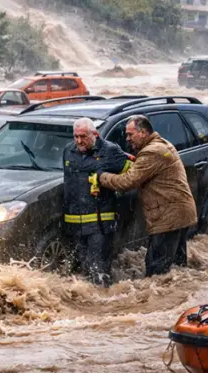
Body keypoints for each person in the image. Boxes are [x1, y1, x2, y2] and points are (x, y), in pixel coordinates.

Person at [99, 115, 197, 277]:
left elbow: (128, 182)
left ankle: (164, 300)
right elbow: (148, 166)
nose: (127, 139)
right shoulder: (161, 144)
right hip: (179, 213)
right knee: (176, 267)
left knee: (156, 270)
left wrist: (102, 177)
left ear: (143, 133)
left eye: (130, 134)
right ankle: (182, 297)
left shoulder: (152, 152)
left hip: (168, 218)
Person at [62, 117, 131, 286]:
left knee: (98, 268)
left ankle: (104, 302)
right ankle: (88, 304)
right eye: (76, 136)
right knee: (84, 268)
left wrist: (106, 180)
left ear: (95, 134)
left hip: (100, 222)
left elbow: (131, 175)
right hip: (75, 222)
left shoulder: (110, 151)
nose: (79, 141)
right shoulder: (68, 151)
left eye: (83, 136)